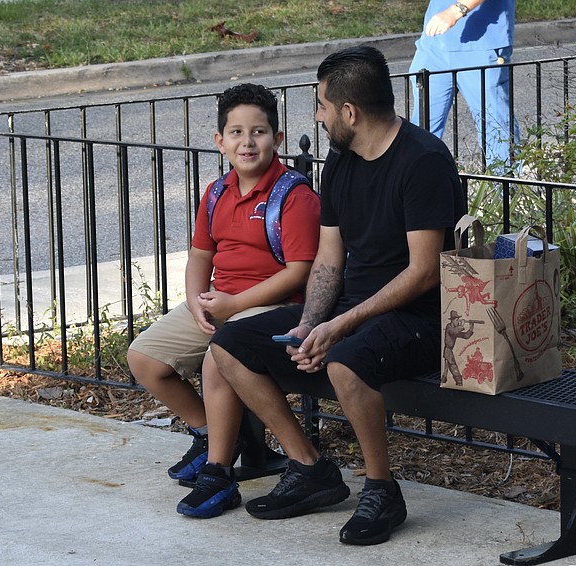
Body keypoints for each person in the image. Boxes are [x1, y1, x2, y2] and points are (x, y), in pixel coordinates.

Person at [176, 46, 466, 546]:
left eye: (322, 105)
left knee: (345, 364)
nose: (318, 115)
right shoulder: (342, 161)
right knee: (230, 347)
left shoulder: (423, 162)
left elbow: (423, 273)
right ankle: (309, 468)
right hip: (350, 308)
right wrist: (312, 321)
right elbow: (329, 258)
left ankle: (382, 489)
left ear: (349, 112)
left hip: (421, 315)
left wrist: (342, 325)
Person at [127, 83, 320, 484]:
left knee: (219, 356)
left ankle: (219, 469)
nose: (247, 142)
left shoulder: (294, 197)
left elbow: (299, 271)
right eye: (236, 133)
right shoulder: (217, 193)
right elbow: (201, 255)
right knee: (144, 357)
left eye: (259, 132)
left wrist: (234, 306)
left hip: (274, 305)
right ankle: (215, 436)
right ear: (220, 141)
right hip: (221, 302)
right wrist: (196, 301)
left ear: (277, 138)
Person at [408, 0, 520, 170]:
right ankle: (417, 190)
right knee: (421, 131)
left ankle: (506, 191)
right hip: (434, 44)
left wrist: (456, 10)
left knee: (495, 128)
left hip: (483, 44)